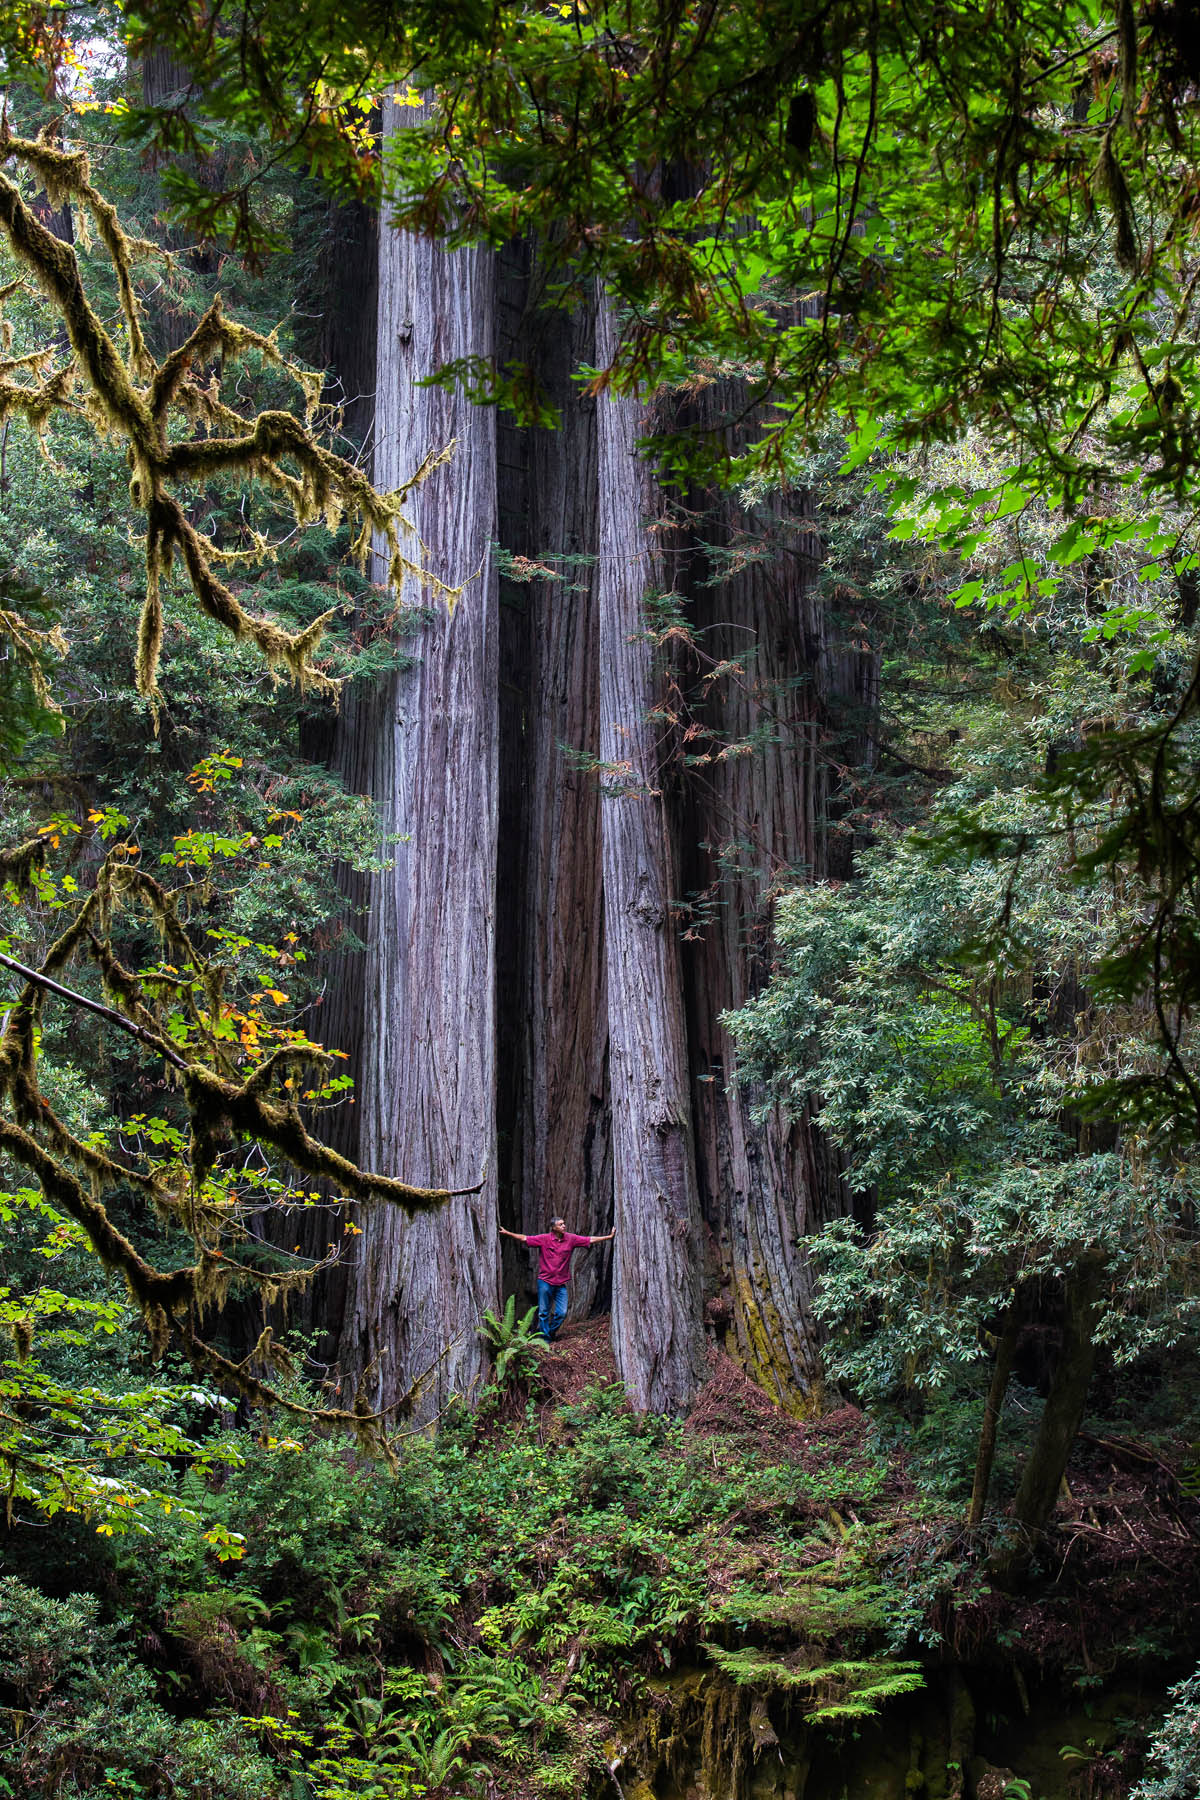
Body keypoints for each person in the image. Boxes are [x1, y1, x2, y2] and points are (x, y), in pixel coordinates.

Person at [499, 1216, 615, 1342]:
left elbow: (589, 1239)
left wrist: (608, 1237)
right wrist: (507, 1233)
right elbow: (525, 1238)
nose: (564, 1226)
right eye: (560, 1224)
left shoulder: (571, 1239)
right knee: (543, 1312)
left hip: (560, 1284)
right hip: (545, 1282)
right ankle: (545, 1339)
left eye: (564, 1224)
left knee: (562, 1312)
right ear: (553, 1228)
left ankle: (550, 1332)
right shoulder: (544, 1239)